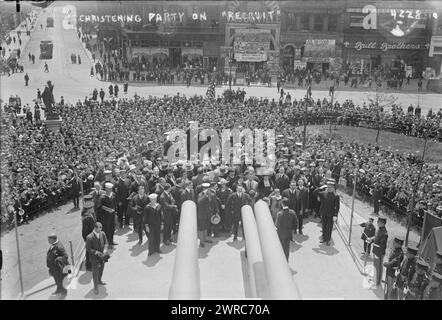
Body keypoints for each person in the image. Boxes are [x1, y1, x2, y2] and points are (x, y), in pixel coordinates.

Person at [85, 222, 109, 295]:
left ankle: (99, 281)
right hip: (94, 259)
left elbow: (106, 243)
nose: (101, 229)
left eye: (101, 227)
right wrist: (96, 252)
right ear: (95, 228)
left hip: (102, 257)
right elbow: (88, 248)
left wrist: (105, 250)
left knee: (101, 270)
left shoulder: (103, 233)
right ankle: (95, 287)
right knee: (95, 273)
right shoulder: (89, 237)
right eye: (100, 227)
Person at [317, 180, 340, 245]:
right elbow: (314, 193)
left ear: (333, 188)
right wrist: (320, 188)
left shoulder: (336, 196)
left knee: (329, 227)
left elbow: (337, 207)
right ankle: (324, 238)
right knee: (324, 226)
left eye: (331, 187)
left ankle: (328, 240)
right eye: (328, 187)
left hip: (331, 214)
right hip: (324, 213)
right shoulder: (323, 193)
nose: (329, 188)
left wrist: (335, 215)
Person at [46, 233, 69, 298]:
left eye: (49, 240)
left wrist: (58, 259)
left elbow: (65, 256)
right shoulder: (53, 244)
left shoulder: (59, 246)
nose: (48, 241)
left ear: (53, 239)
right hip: (54, 268)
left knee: (61, 281)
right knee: (57, 280)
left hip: (59, 269)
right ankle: (58, 290)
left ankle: (64, 293)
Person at [196, 183, 216, 247]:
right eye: (207, 189)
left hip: (208, 213)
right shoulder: (200, 194)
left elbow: (213, 203)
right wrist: (205, 196)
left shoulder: (211, 194)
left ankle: (205, 239)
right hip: (201, 214)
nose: (208, 190)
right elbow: (199, 202)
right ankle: (201, 242)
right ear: (204, 189)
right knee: (202, 227)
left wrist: (214, 212)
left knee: (207, 226)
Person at [371, 216, 388, 287]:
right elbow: (376, 238)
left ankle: (377, 281)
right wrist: (371, 239)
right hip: (376, 250)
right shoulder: (379, 229)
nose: (377, 223)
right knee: (376, 266)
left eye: (379, 222)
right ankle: (376, 279)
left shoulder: (384, 233)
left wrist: (378, 255)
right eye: (378, 222)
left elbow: (382, 246)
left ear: (383, 223)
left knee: (378, 267)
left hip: (379, 253)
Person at [98, 182, 117, 247]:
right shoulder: (102, 197)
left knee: (112, 228)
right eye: (109, 189)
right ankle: (109, 243)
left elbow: (115, 205)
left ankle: (112, 240)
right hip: (106, 217)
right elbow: (99, 207)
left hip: (112, 215)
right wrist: (108, 210)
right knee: (107, 229)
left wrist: (115, 213)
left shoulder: (113, 195)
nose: (110, 190)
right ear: (106, 189)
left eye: (111, 188)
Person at [81, 199, 96, 271]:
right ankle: (89, 266)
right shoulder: (87, 218)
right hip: (89, 238)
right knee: (89, 252)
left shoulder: (89, 215)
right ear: (88, 209)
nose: (93, 209)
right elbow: (85, 231)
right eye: (92, 208)